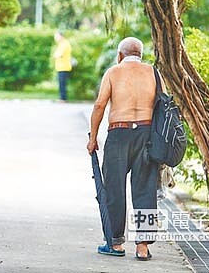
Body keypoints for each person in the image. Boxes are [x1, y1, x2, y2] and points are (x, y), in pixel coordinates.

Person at [86, 37, 166, 261]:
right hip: (146, 135)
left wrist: (93, 138)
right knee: (146, 190)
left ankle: (116, 244)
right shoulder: (153, 72)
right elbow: (162, 105)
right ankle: (142, 247)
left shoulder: (113, 72)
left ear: (120, 55)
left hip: (118, 135)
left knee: (114, 189)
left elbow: (100, 105)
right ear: (140, 54)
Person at [53, 31, 72, 102]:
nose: (55, 38)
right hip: (60, 67)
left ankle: (63, 98)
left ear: (61, 36)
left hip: (64, 67)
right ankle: (62, 98)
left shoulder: (65, 44)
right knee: (61, 83)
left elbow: (58, 55)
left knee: (62, 83)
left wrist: (56, 55)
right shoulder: (61, 44)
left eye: (56, 36)